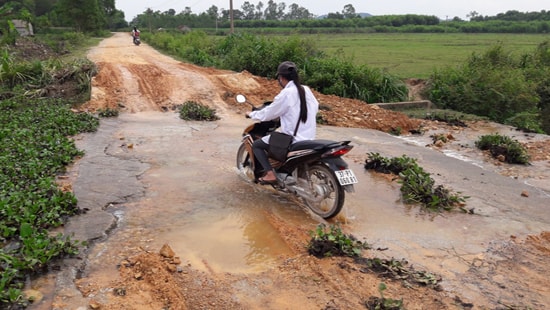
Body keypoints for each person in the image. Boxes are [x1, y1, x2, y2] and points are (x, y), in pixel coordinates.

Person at [246, 61, 319, 184]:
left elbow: (269, 113)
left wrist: (252, 114)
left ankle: (270, 174)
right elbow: (314, 107)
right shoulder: (306, 89)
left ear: (281, 78)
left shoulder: (286, 93)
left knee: (257, 145)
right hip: (309, 138)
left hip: (292, 140)